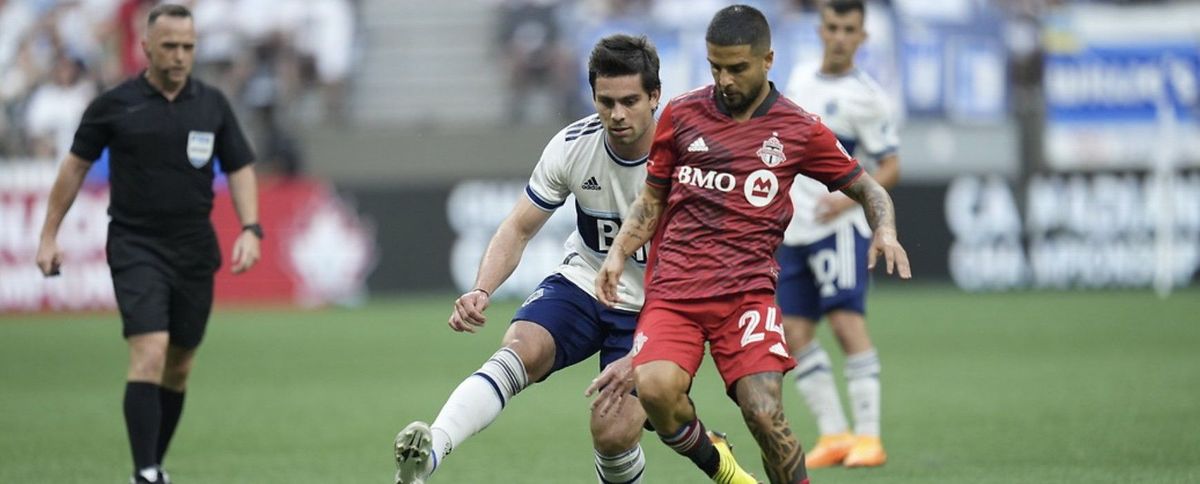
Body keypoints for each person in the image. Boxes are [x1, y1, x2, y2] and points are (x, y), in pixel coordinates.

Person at [393, 34, 754, 484]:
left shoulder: (692, 162)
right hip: (585, 281)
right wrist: (482, 289)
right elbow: (518, 227)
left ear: (655, 96)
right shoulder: (573, 145)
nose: (617, 114)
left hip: (659, 307)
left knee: (612, 432)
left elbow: (713, 269)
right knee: (521, 347)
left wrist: (648, 350)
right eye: (606, 101)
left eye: (630, 101)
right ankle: (429, 453)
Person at [595, 5, 912, 484]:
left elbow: (869, 187)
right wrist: (618, 253)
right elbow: (651, 201)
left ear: (768, 60)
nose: (724, 79)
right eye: (715, 67)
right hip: (674, 294)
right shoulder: (681, 115)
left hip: (746, 295)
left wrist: (884, 228)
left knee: (764, 414)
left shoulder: (798, 128)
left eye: (737, 68)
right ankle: (724, 469)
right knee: (656, 391)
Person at [34, 5, 260, 483]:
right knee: (150, 351)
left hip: (195, 247)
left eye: (188, 47)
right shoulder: (114, 105)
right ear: (146, 48)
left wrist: (250, 227)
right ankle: (146, 471)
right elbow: (74, 167)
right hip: (137, 245)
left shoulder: (212, 105)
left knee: (178, 364)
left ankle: (152, 464)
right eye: (170, 47)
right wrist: (49, 234)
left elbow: (239, 166)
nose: (180, 57)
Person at [778, 0, 899, 469]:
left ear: (862, 36)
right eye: (833, 27)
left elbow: (890, 165)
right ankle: (834, 433)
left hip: (839, 229)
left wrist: (849, 199)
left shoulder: (868, 96)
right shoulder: (800, 80)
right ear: (820, 30)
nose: (840, 36)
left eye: (850, 29)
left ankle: (869, 438)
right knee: (794, 332)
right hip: (794, 229)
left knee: (848, 325)